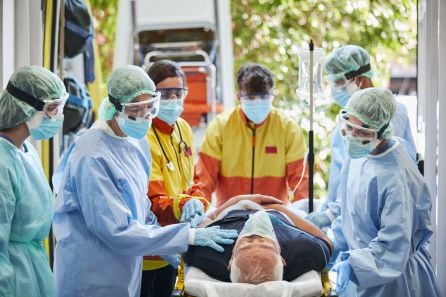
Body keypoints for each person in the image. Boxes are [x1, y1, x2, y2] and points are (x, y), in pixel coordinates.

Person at [52, 65, 238, 297]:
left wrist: (177, 253)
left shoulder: (134, 142)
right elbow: (116, 231)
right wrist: (187, 236)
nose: (146, 117)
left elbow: (143, 211)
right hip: (91, 276)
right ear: (115, 107)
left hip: (126, 271)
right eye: (136, 110)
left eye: (151, 107)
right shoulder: (92, 156)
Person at [330, 87, 440, 296]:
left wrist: (353, 265)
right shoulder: (359, 155)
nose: (353, 136)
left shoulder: (396, 176)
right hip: (363, 270)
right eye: (349, 127)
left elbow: (394, 247)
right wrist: (331, 248)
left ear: (382, 130)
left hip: (393, 279)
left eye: (362, 131)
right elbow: (348, 215)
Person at [306, 45, 417, 229]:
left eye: (339, 82)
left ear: (359, 80)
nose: (334, 89)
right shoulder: (346, 121)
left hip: (368, 219)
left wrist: (332, 215)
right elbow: (341, 178)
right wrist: (328, 212)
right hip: (345, 218)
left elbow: (372, 177)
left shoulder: (387, 114)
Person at [140, 60, 209, 297]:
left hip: (179, 244)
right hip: (147, 253)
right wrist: (182, 204)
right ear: (151, 96)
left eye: (178, 92)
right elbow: (152, 199)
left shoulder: (183, 128)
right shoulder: (143, 135)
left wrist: (198, 202)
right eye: (165, 93)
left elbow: (195, 180)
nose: (172, 99)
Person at [196, 63, 309, 207]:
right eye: (250, 97)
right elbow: (203, 181)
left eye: (263, 96)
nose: (257, 102)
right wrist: (200, 211)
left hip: (275, 216)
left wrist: (304, 213)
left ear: (272, 95)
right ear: (239, 97)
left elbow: (301, 181)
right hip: (230, 215)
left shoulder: (287, 129)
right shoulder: (220, 127)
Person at [0, 65, 67, 297]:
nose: (57, 117)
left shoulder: (26, 151)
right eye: (52, 108)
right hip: (13, 279)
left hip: (34, 271)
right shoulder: (2, 162)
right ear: (27, 107)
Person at [184, 194, 333, 283]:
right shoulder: (302, 249)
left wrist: (239, 200)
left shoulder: (209, 250)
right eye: (265, 244)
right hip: (276, 210)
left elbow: (205, 222)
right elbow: (325, 240)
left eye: (246, 244)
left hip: (233, 209)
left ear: (230, 260)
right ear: (282, 259)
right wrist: (277, 208)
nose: (256, 237)